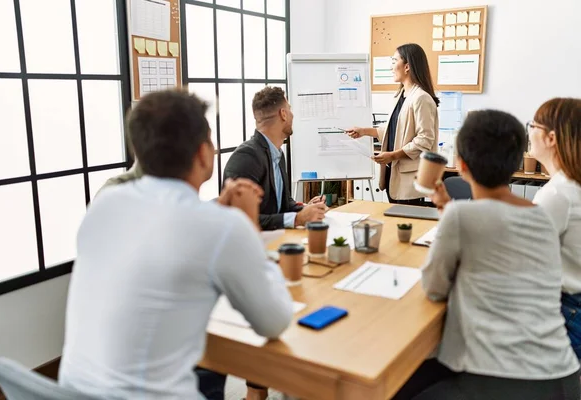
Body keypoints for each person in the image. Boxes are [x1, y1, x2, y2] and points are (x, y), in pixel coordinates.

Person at [59, 89, 295, 400]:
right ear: (202, 153)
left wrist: (220, 215)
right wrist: (247, 225)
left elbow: (166, 229)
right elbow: (274, 321)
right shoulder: (222, 227)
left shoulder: (107, 203)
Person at [393, 110, 580, 400]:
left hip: (501, 380)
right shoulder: (542, 218)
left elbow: (434, 287)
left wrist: (450, 215)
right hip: (561, 376)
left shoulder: (461, 215)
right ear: (518, 162)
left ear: (461, 166)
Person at [346, 43, 439, 205]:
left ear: (407, 66)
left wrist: (393, 155)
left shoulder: (421, 98)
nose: (391, 67)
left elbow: (425, 140)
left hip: (411, 181)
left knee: (408, 226)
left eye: (394, 61)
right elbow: (394, 131)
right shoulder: (401, 95)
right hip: (394, 175)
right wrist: (364, 131)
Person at [223, 86, 326, 231]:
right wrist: (297, 219)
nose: (292, 115)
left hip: (278, 239)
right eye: (289, 109)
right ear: (283, 114)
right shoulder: (247, 157)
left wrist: (307, 209)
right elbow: (240, 218)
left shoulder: (277, 154)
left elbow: (284, 204)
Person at [528, 98, 581, 359]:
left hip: (568, 313)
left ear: (550, 138)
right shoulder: (571, 186)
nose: (529, 132)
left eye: (532, 126)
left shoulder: (557, 194)